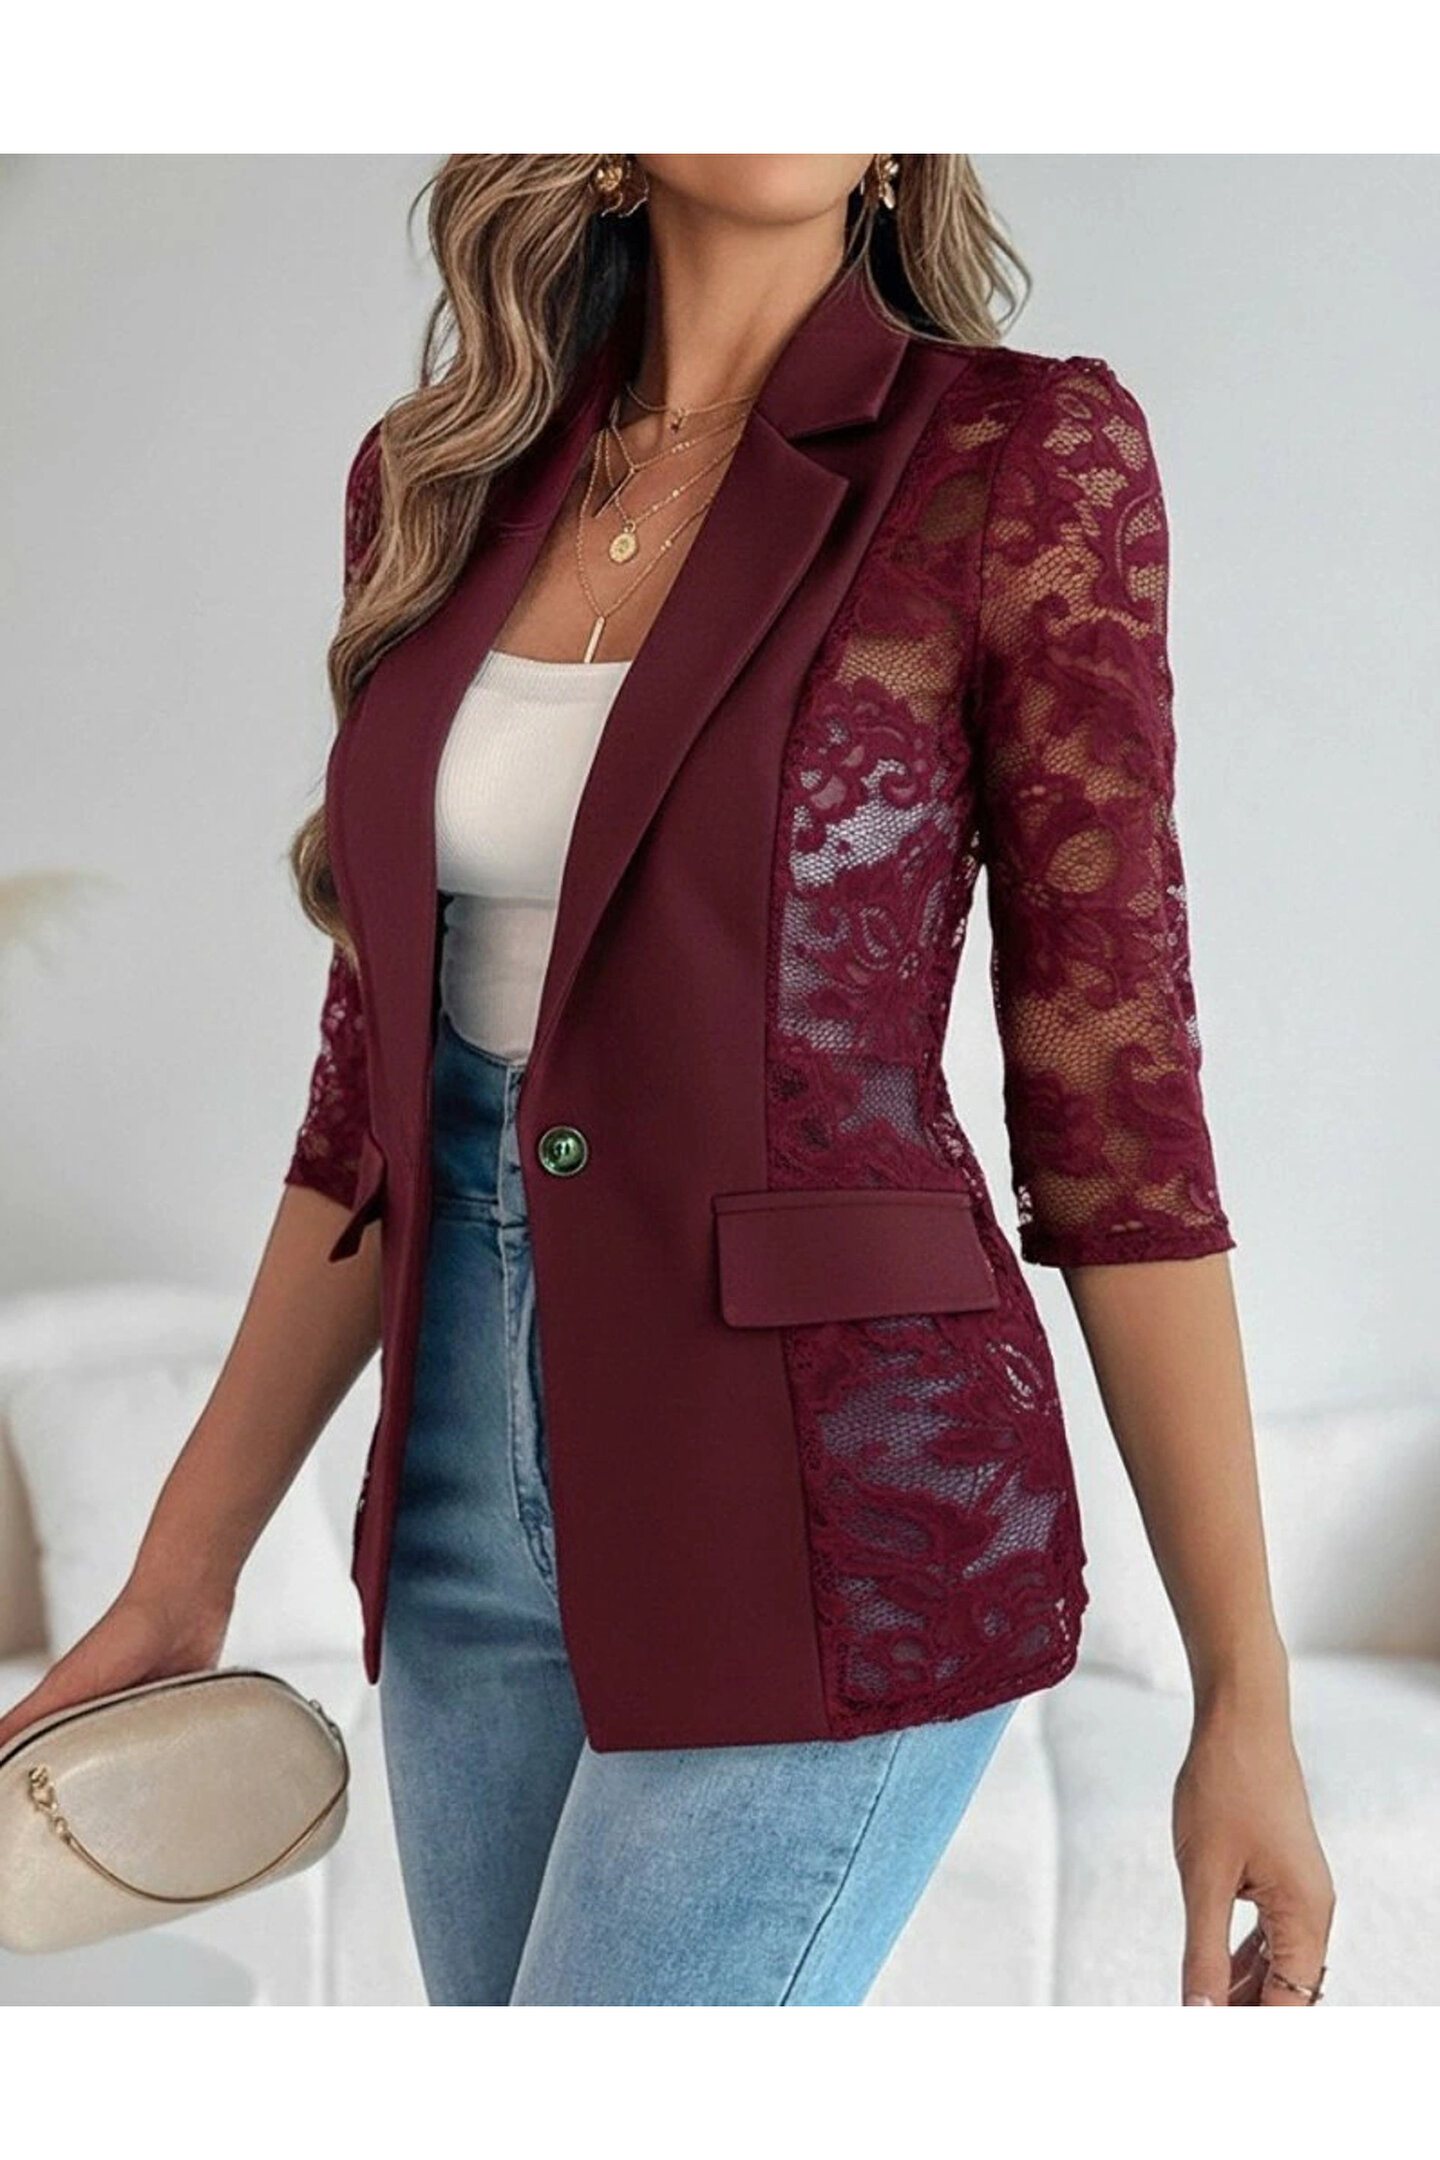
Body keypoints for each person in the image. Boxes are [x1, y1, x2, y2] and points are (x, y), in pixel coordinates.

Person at [0, 154, 1334, 2008]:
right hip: (458, 1514)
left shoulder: (1015, 455)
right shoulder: (441, 479)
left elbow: (1116, 1100)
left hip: (840, 1501)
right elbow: (370, 1101)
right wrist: (181, 1566)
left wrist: (1243, 1691)